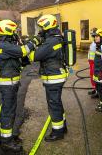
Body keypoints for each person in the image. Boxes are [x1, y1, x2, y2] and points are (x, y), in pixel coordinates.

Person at [0, 19, 39, 152]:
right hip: (8, 84)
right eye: (13, 31)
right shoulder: (3, 45)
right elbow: (23, 51)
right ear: (7, 31)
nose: (15, 33)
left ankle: (7, 136)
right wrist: (34, 41)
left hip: (10, 82)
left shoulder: (4, 44)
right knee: (8, 111)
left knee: (9, 109)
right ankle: (6, 141)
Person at [28, 14, 68, 142]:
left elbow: (34, 56)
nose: (40, 30)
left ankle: (57, 132)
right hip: (57, 75)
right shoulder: (56, 38)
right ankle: (63, 127)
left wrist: (29, 47)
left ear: (47, 26)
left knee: (53, 105)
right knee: (57, 102)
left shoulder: (50, 42)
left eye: (41, 27)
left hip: (53, 77)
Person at [88, 28, 98, 98]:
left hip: (95, 62)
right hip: (91, 62)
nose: (91, 35)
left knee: (95, 76)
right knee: (92, 76)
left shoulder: (98, 42)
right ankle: (95, 89)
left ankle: (98, 92)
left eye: (92, 34)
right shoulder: (93, 42)